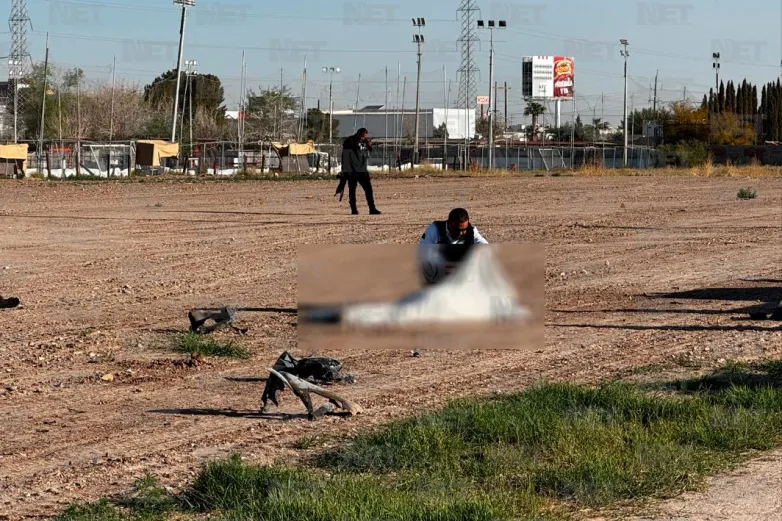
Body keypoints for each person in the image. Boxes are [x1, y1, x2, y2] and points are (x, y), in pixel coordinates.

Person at [417, 207, 488, 284]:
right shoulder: (435, 230)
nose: (461, 233)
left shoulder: (471, 231)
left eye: (464, 230)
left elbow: (485, 247)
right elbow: (423, 252)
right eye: (457, 230)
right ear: (449, 223)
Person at [338, 128, 381, 215]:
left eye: (364, 137)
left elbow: (369, 150)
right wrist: (345, 170)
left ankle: (372, 208)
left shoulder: (365, 141)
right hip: (352, 170)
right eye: (362, 137)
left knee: (368, 189)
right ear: (358, 134)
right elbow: (345, 156)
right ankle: (354, 209)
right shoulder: (349, 141)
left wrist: (369, 145)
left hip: (362, 169)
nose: (363, 138)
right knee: (352, 190)